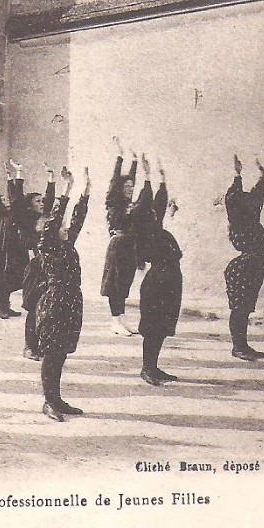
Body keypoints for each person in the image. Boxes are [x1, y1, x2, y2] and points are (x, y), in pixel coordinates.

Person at [35, 168, 90, 422]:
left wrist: (85, 193)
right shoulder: (48, 246)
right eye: (61, 227)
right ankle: (49, 402)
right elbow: (56, 221)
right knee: (51, 352)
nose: (67, 228)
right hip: (55, 301)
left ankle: (57, 399)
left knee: (62, 352)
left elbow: (77, 220)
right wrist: (66, 192)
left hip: (71, 301)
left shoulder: (67, 244)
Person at [136, 158, 182, 385]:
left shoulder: (157, 229)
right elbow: (152, 204)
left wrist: (162, 180)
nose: (157, 214)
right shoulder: (145, 232)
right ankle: (147, 368)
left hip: (170, 282)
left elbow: (159, 205)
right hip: (157, 284)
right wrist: (147, 180)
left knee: (162, 327)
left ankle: (153, 367)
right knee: (153, 328)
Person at [224, 155, 264, 361]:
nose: (253, 204)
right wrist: (237, 175)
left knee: (246, 307)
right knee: (240, 307)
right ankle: (238, 347)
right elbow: (232, 197)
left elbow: (257, 196)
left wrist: (262, 177)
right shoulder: (237, 217)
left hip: (254, 263)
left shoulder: (251, 215)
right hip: (242, 266)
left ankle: (243, 345)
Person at [101, 137, 144, 336]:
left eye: (131, 187)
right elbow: (114, 181)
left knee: (124, 283)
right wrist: (120, 157)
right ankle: (115, 320)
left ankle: (121, 319)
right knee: (115, 284)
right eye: (126, 187)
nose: (130, 189)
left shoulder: (130, 205)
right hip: (117, 246)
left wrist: (135, 162)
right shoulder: (114, 202)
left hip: (129, 246)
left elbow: (132, 179)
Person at [20, 166, 58, 360]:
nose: (42, 203)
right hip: (34, 270)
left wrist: (51, 180)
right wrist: (17, 176)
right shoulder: (26, 222)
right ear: (29, 206)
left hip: (48, 269)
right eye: (37, 201)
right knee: (34, 307)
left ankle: (42, 344)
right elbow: (18, 202)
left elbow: (51, 203)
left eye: (43, 201)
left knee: (47, 308)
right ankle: (29, 346)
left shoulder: (46, 220)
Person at [0, 160, 27, 319]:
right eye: (4, 200)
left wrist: (15, 175)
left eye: (8, 200)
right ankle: (0, 308)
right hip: (0, 250)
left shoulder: (15, 213)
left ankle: (7, 306)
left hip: (13, 250)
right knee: (0, 277)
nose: (7, 201)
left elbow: (16, 195)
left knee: (10, 276)